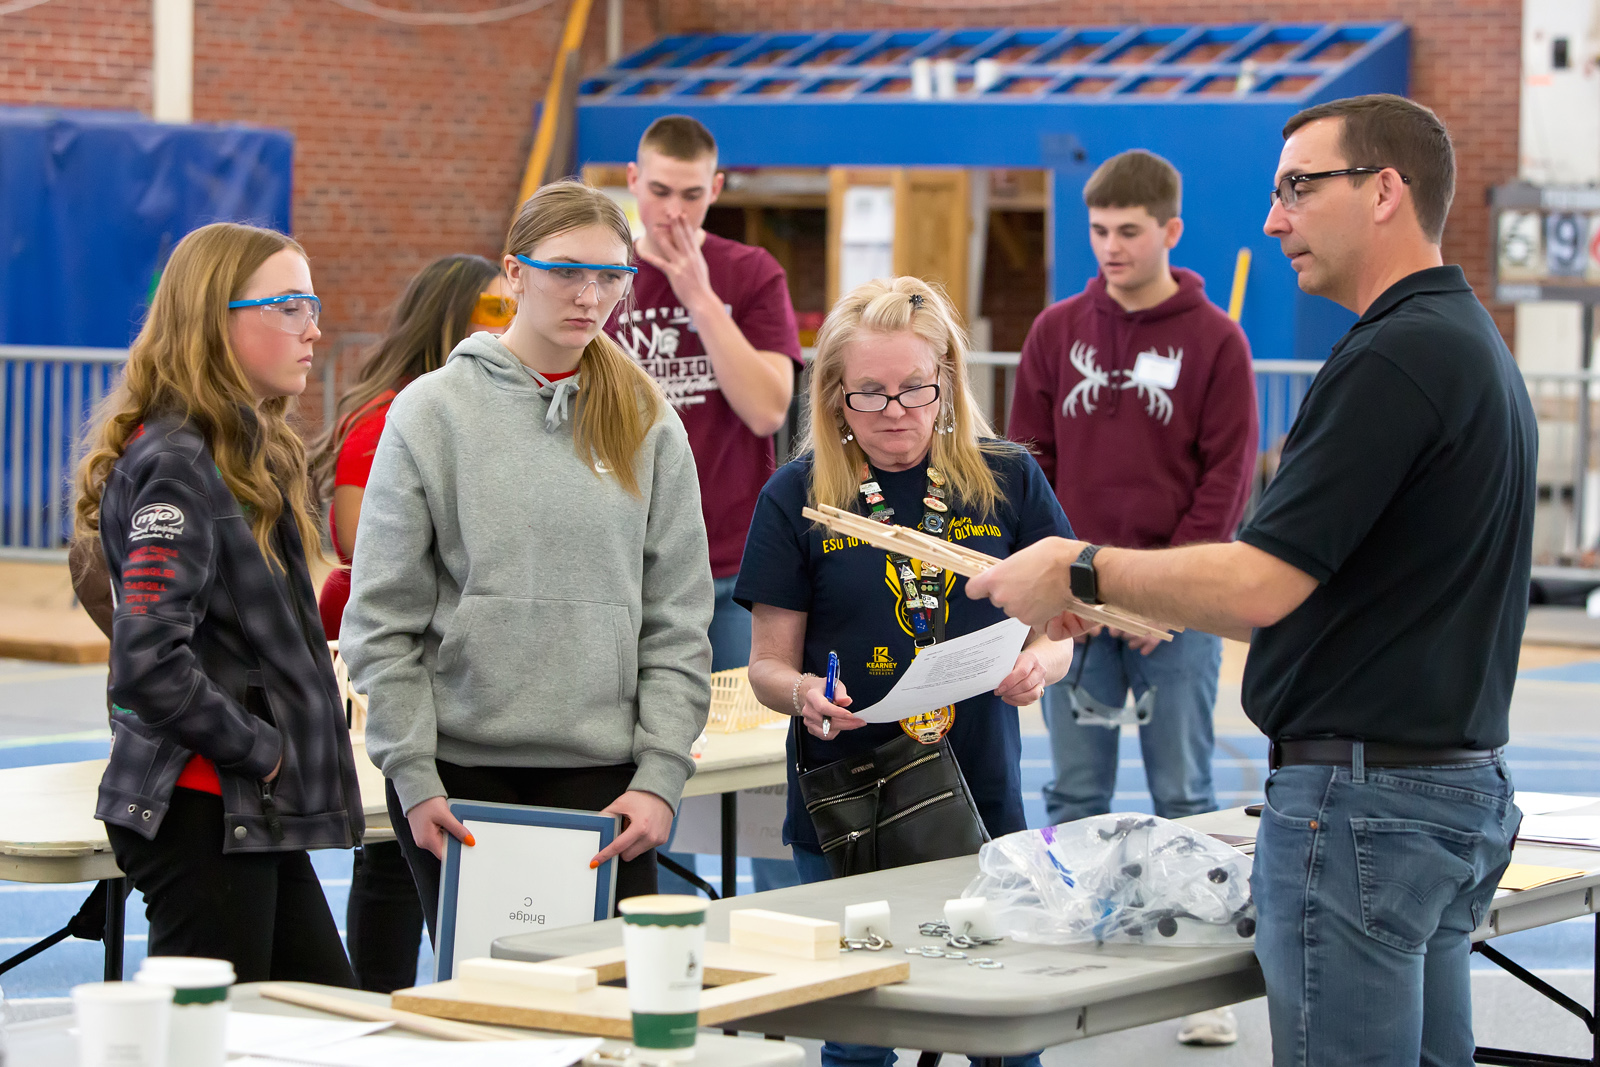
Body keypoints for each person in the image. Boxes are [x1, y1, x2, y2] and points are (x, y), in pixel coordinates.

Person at [968, 94, 1532, 1067]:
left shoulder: (1395, 357)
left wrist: (1077, 567)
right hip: (1439, 788)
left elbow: (1258, 583)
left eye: (1297, 190)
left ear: (1385, 190)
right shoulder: (1463, 340)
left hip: (1366, 802)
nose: (1273, 220)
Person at [340, 180, 713, 939]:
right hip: (460, 776)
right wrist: (413, 777)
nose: (590, 294)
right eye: (567, 270)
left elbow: (678, 622)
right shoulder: (431, 412)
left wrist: (661, 778)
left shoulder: (649, 422)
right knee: (492, 1022)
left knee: (608, 1023)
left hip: (609, 783)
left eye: (611, 275)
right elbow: (381, 621)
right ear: (514, 273)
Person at [737, 276, 1076, 1067]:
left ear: (947, 381)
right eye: (870, 393)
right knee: (861, 1037)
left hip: (981, 794)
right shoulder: (797, 497)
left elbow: (1062, 633)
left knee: (1005, 1033)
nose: (896, 411)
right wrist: (805, 694)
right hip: (852, 800)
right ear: (833, 397)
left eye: (916, 389)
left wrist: (1041, 664)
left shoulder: (1008, 480)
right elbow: (765, 666)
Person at [1007, 149, 1258, 1048]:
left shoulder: (1216, 343)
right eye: (1100, 231)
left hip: (1174, 615)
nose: (1111, 248)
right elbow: (1028, 465)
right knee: (1074, 793)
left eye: (1129, 232)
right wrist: (1066, 585)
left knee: (1184, 796)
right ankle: (1076, 966)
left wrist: (1173, 597)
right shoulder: (1055, 329)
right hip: (1076, 607)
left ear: (1170, 232)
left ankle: (1202, 977)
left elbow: (1228, 478)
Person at [73, 221, 362, 984]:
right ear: (217, 319)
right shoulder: (176, 463)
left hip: (243, 808)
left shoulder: (232, 451)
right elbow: (149, 664)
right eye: (290, 306)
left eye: (313, 303)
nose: (315, 328)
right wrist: (264, 748)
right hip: (205, 806)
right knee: (218, 1035)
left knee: (321, 1020)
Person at [607, 114, 805, 893]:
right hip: (624, 577)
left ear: (716, 190)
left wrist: (697, 294)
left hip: (730, 573)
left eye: (692, 195)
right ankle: (668, 945)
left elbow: (766, 408)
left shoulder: (750, 272)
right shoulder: (599, 274)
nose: (674, 213)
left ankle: (783, 947)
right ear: (632, 182)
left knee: (759, 784)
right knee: (652, 780)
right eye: (658, 192)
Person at [308, 253, 508, 993]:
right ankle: (380, 994)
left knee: (405, 844)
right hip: (392, 648)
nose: (509, 320)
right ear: (449, 316)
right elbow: (368, 548)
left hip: (435, 647)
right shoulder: (397, 412)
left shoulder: (469, 402)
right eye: (492, 309)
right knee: (394, 841)